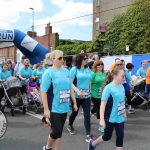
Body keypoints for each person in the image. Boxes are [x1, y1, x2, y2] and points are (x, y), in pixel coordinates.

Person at [41, 50, 77, 150]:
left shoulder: (66, 72)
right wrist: (46, 109)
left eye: (63, 57)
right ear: (53, 60)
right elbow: (43, 91)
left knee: (59, 131)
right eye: (60, 58)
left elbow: (70, 88)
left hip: (64, 105)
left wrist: (74, 102)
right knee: (56, 131)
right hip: (53, 106)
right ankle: (47, 147)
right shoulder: (48, 73)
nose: (63, 60)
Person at [88, 69, 127, 150]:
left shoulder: (122, 87)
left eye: (124, 76)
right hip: (110, 117)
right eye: (122, 76)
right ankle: (92, 143)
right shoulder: (108, 88)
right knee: (107, 137)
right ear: (115, 76)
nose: (124, 77)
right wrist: (102, 120)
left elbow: (122, 102)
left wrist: (124, 113)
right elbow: (102, 104)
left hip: (119, 117)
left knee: (120, 136)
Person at [67, 53, 92, 142]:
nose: (86, 60)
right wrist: (77, 91)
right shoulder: (74, 69)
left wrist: (90, 93)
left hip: (86, 96)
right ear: (80, 60)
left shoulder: (88, 69)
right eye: (85, 59)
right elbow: (70, 83)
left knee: (87, 115)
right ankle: (70, 125)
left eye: (87, 59)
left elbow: (89, 82)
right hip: (76, 96)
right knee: (74, 113)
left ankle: (88, 135)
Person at [91, 60, 106, 132]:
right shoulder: (93, 74)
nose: (100, 66)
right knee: (99, 109)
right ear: (95, 66)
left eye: (101, 64)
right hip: (94, 94)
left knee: (95, 108)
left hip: (102, 94)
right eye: (98, 65)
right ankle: (101, 125)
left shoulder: (104, 74)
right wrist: (90, 93)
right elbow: (89, 84)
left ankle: (88, 117)